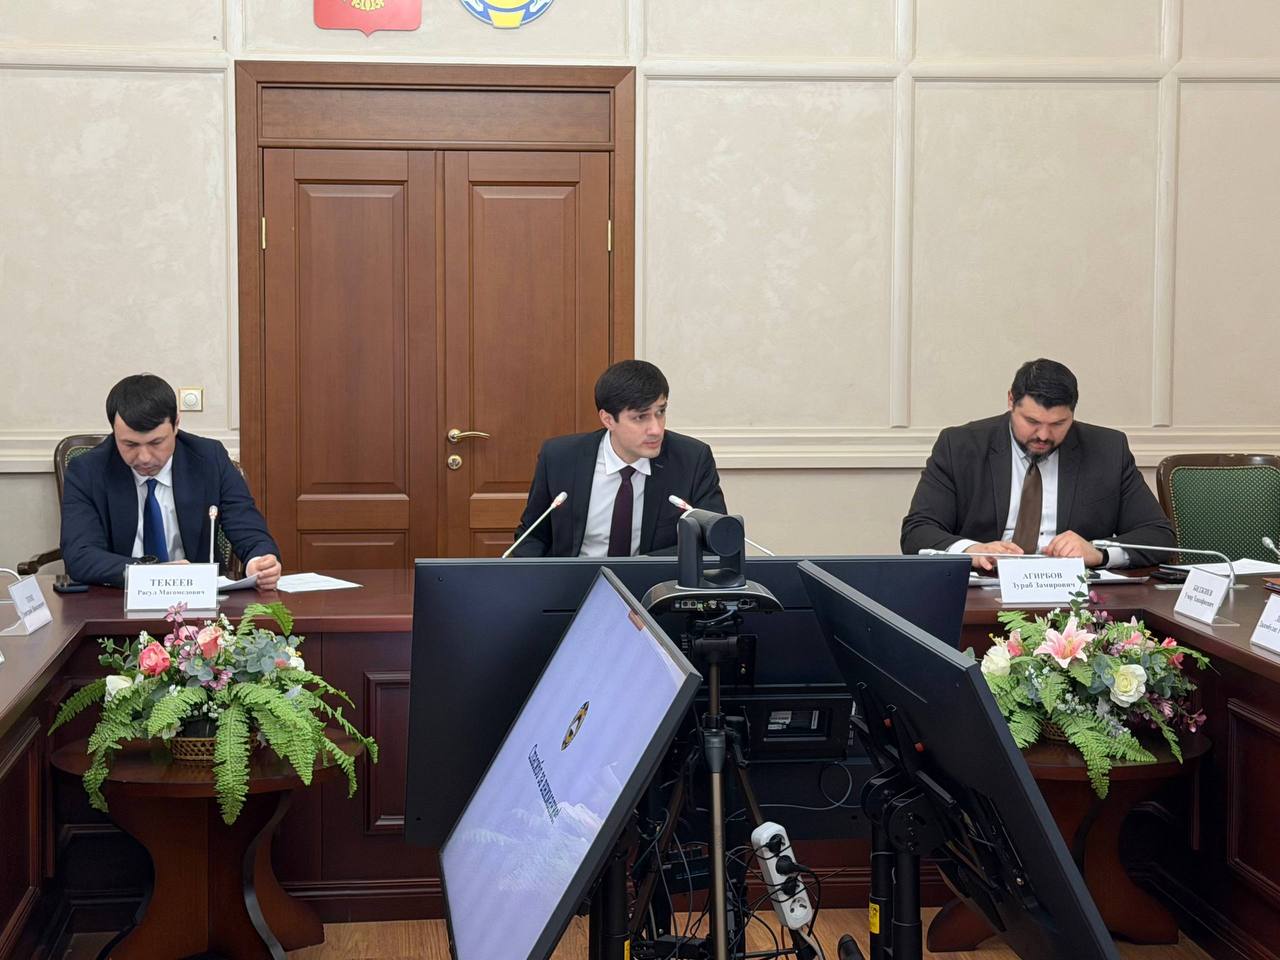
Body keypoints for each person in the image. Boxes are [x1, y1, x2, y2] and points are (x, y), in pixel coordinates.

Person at [901, 358, 1174, 570]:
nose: (1043, 435)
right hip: (986, 586)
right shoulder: (960, 446)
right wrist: (971, 550)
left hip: (1075, 597)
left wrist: (1099, 552)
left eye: (1058, 424)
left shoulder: (1107, 450)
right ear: (1011, 400)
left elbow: (1159, 535)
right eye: (1031, 421)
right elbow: (917, 532)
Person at [60, 374, 283, 589]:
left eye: (156, 442)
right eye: (130, 445)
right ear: (114, 432)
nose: (144, 457)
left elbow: (247, 526)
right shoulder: (87, 471)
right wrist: (150, 573)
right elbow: (80, 556)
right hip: (118, 598)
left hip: (198, 598)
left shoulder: (208, 458)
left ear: (176, 424)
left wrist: (259, 560)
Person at [511, 360, 727, 557]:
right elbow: (532, 536)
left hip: (655, 583)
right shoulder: (560, 458)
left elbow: (712, 539)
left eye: (660, 412)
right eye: (640, 417)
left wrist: (638, 569)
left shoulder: (692, 459)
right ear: (608, 420)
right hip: (573, 582)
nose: (656, 429)